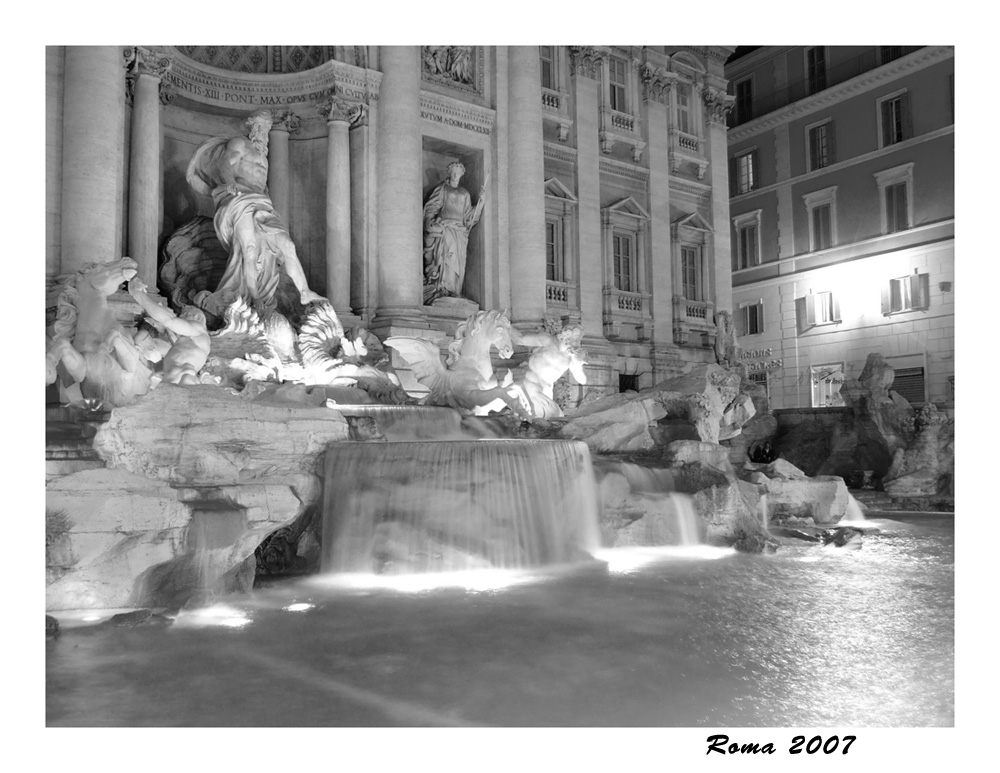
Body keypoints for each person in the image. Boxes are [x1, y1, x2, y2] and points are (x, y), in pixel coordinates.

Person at [186, 110, 325, 318]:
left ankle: (304, 291)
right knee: (249, 249)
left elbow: (262, 185)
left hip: (262, 203)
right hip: (240, 198)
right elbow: (225, 163)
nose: (263, 132)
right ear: (252, 128)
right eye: (260, 127)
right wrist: (230, 183)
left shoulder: (264, 156)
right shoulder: (240, 144)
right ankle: (254, 296)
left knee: (287, 245)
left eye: (266, 128)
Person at [422, 162, 487, 304]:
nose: (455, 175)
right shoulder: (443, 189)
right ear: (449, 173)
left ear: (462, 174)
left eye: (458, 173)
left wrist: (481, 202)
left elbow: (469, 217)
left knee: (458, 262)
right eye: (453, 172)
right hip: (446, 228)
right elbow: (432, 207)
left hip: (460, 232)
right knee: (447, 258)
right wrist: (429, 222)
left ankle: (455, 289)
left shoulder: (465, 193)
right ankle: (443, 288)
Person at [128, 277, 211, 385]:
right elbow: (158, 367)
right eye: (181, 315)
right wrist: (139, 357)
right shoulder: (184, 344)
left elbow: (169, 320)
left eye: (185, 315)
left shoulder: (198, 329)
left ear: (196, 317)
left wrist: (138, 294)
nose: (181, 317)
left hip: (185, 381)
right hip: (174, 382)